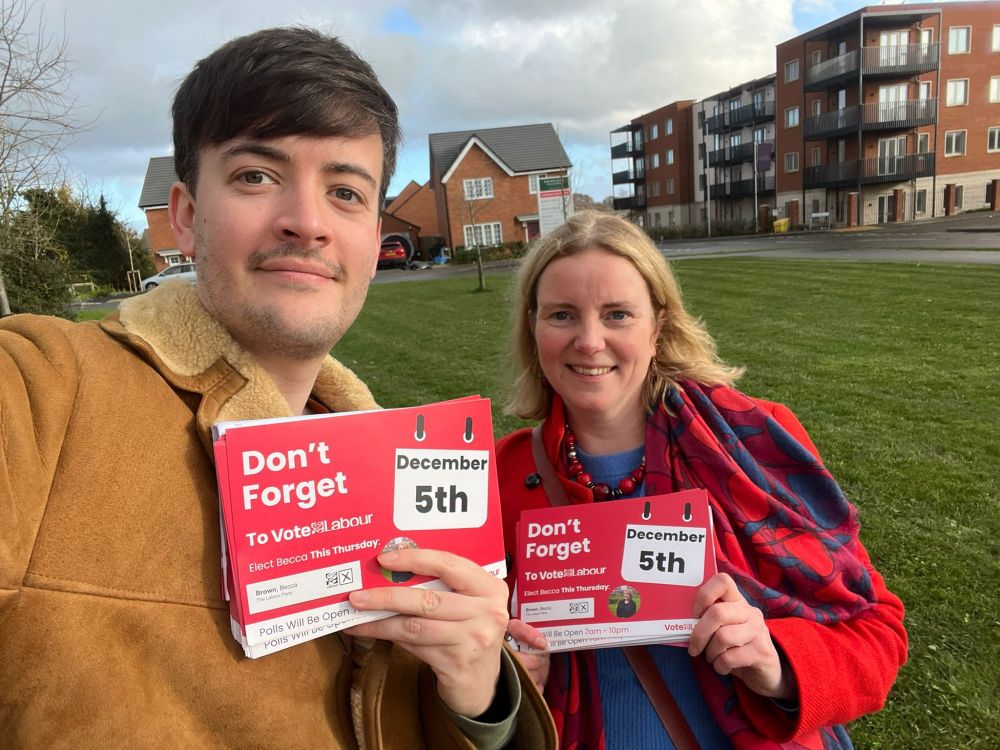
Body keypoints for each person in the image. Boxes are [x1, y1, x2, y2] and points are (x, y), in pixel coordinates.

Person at [0, 28, 555, 749]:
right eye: (257, 176)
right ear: (189, 216)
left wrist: (479, 700)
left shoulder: (404, 471)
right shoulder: (41, 389)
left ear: (373, 237)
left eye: (346, 191)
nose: (308, 222)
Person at [498, 211, 907, 749]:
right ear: (534, 325)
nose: (590, 341)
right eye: (562, 315)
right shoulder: (500, 477)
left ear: (657, 325)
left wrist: (777, 664)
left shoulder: (753, 443)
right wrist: (506, 683)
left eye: (618, 314)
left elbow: (875, 628)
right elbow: (459, 692)